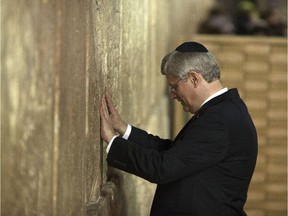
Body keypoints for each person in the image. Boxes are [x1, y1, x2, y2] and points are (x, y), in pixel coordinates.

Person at [100, 41, 258, 216]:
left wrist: (111, 140)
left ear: (194, 78)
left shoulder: (219, 120)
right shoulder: (224, 110)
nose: (172, 95)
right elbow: (176, 153)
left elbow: (163, 168)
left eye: (174, 86)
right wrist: (124, 129)